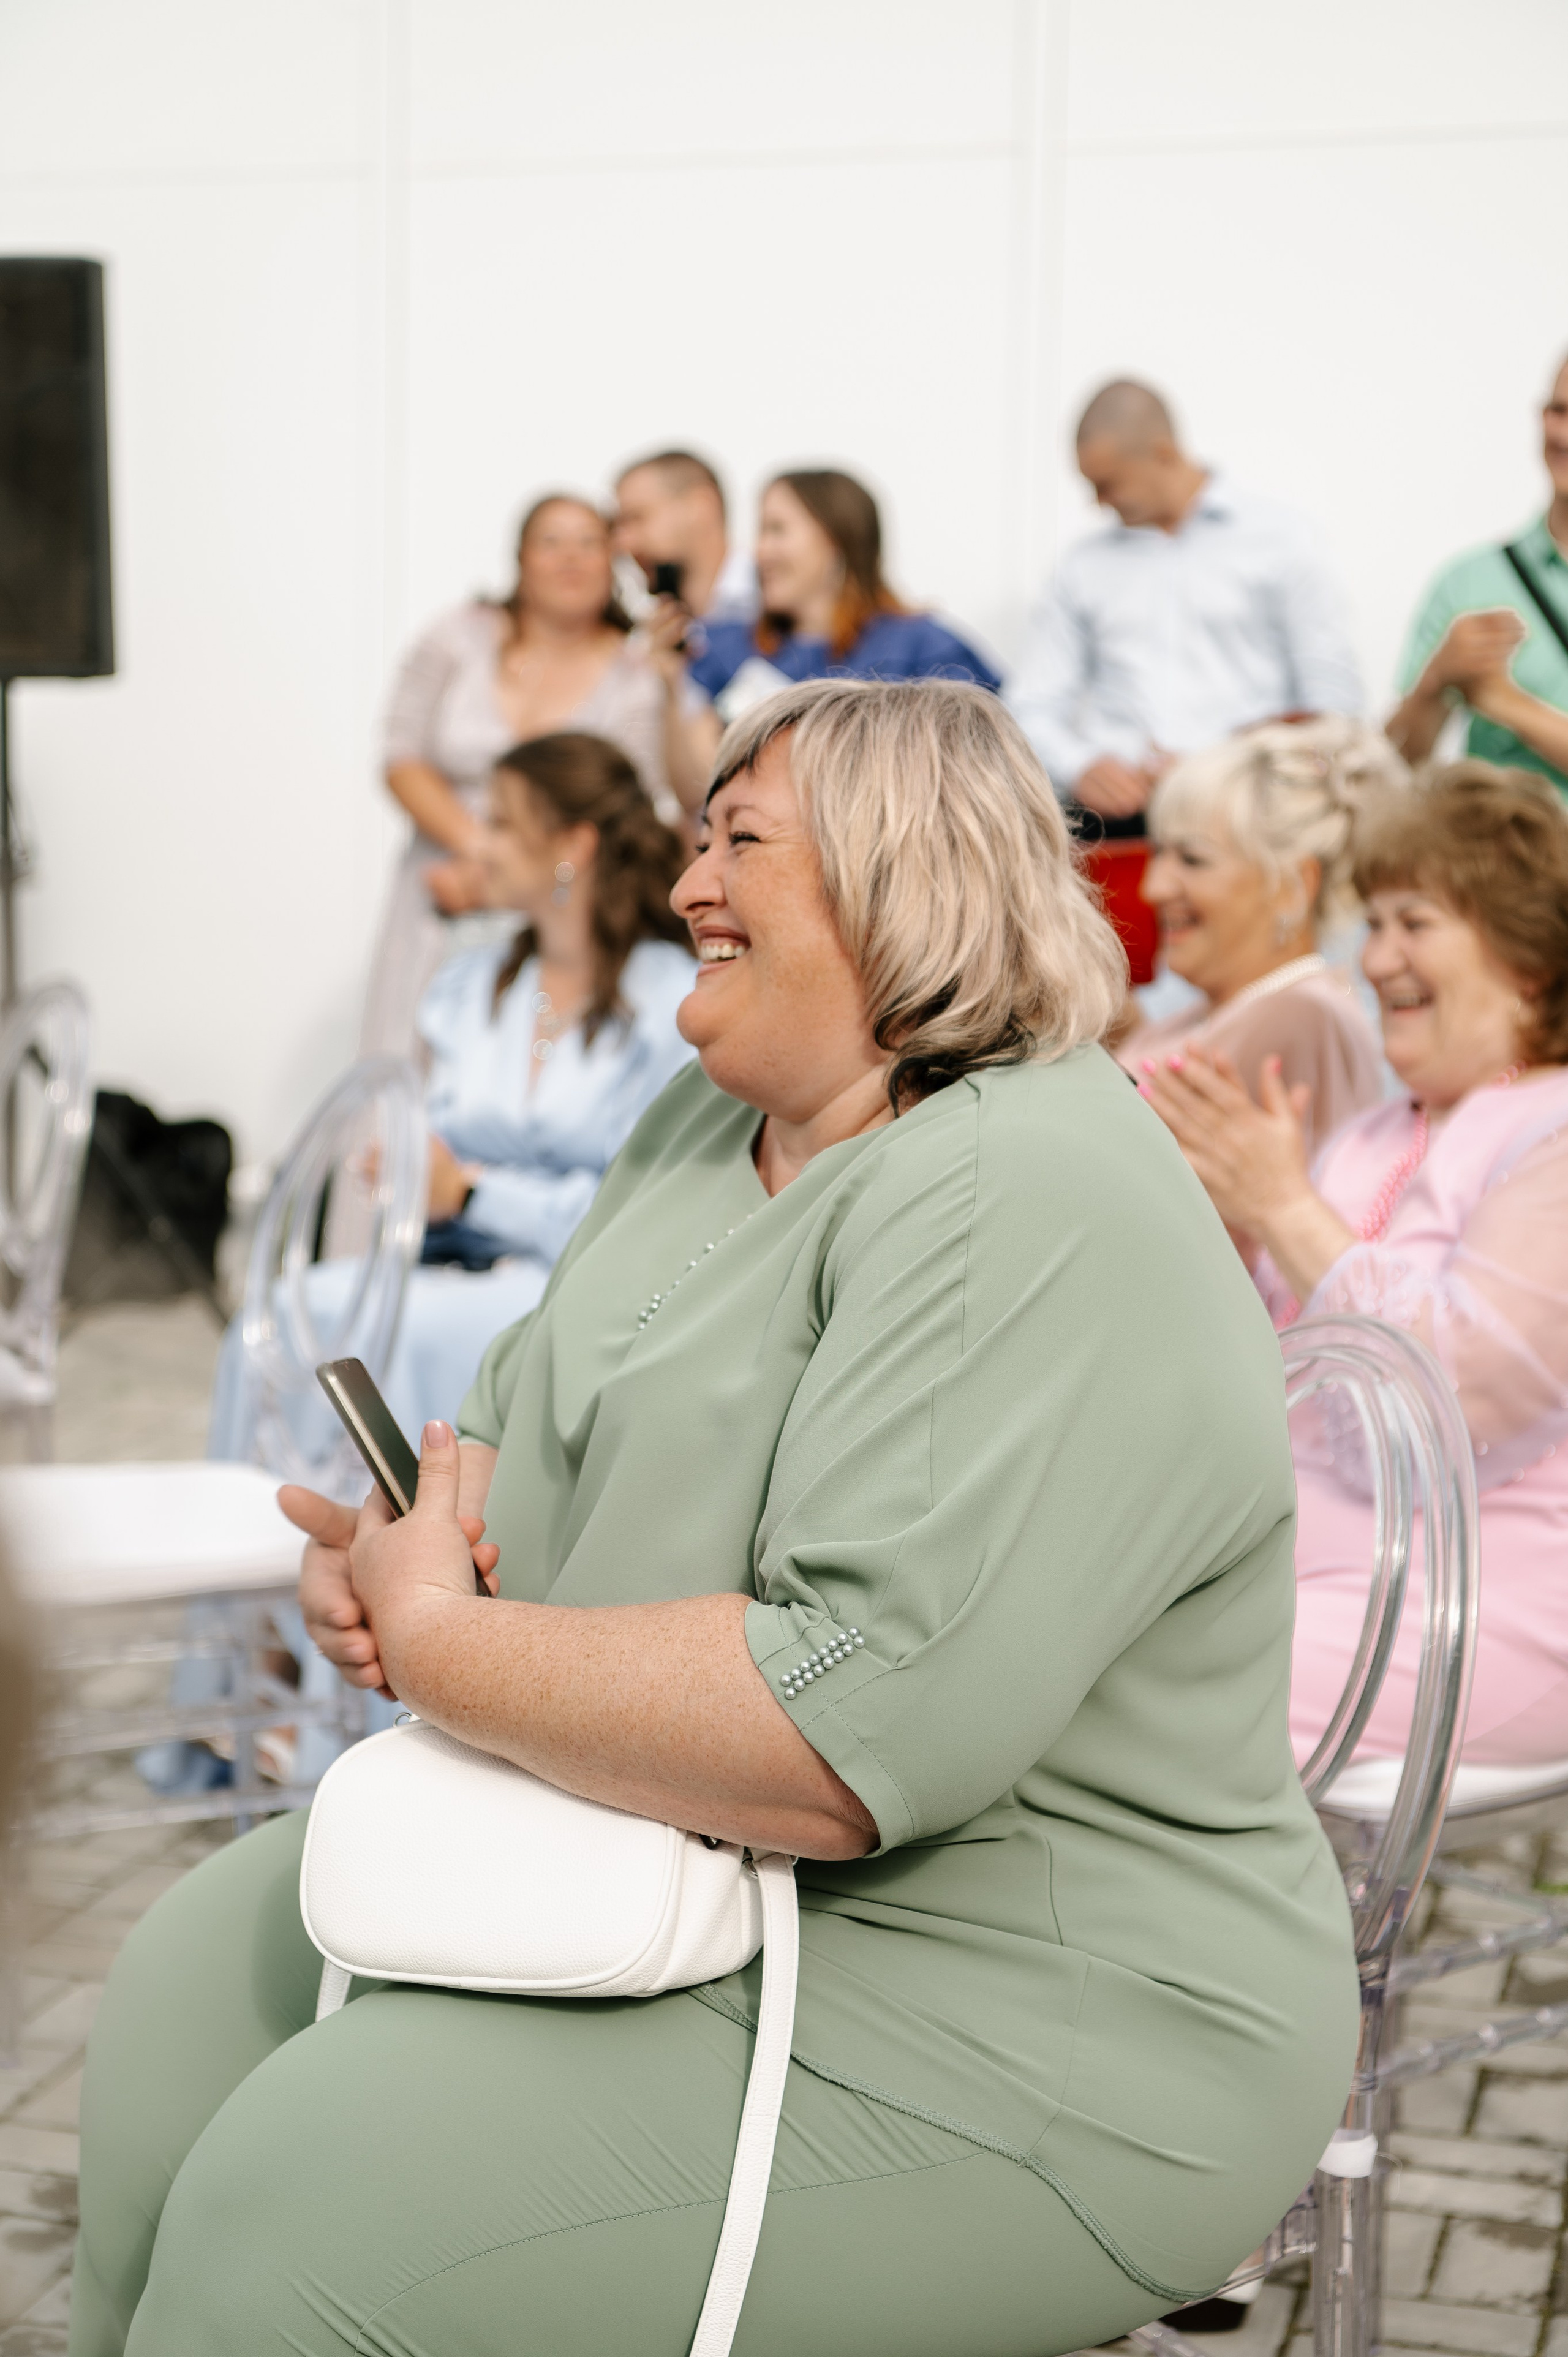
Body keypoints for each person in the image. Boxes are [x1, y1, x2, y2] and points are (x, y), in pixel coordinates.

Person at [75, 681, 1357, 2357]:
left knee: (307, 2208)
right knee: (186, 1993)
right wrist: (406, 1553)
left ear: (914, 880)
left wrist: (450, 1647)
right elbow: (523, 1444)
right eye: (697, 837)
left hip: (1026, 2011)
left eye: (740, 841)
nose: (685, 887)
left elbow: (843, 1733)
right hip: (670, 1865)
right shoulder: (705, 1121)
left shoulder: (1020, 1187)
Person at [1137, 763, 1568, 1768]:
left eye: (1414, 922)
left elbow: (1459, 1397)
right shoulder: (1371, 1134)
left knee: (1130, 1706)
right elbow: (1270, 1380)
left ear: (1529, 953)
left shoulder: (1554, 1126)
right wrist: (1225, 1233)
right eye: (1371, 924)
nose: (1377, 959)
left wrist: (1282, 1203)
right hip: (1297, 1573)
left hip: (1483, 1600)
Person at [361, 494, 715, 1059]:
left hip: (562, 903)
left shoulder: (635, 671)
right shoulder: (458, 636)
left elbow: (650, 793)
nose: (570, 558)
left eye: (589, 544)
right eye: (552, 542)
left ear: (612, 564)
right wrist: (480, 853)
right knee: (413, 1061)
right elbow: (400, 754)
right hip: (443, 888)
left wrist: (520, 874)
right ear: (521, 559)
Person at [1007, 379, 1363, 831]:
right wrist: (1080, 766)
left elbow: (1336, 708)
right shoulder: (1080, 567)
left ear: (1163, 453)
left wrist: (1227, 765)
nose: (1097, 503)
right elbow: (1030, 708)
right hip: (1117, 826)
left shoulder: (1285, 542)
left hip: (1252, 821)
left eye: (1106, 485)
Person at [1118, 719, 1399, 1159]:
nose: (1153, 888)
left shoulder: (1302, 1016)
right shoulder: (1223, 1011)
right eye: (1159, 853)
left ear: (1292, 886)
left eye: (1192, 859)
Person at [1389, 354, 1568, 798]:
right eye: (1560, 411)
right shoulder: (1470, 581)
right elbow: (1396, 766)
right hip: (1491, 863)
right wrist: (1434, 682)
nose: (1564, 434)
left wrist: (1503, 702)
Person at [688, 469, 1000, 717]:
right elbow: (698, 786)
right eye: (761, 532)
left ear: (836, 539)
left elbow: (975, 762)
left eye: (778, 530)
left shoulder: (924, 649)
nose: (760, 551)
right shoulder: (727, 646)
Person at [611, 447, 757, 623]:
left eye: (638, 518)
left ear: (702, 505)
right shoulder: (648, 633)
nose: (623, 543)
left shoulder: (773, 605)